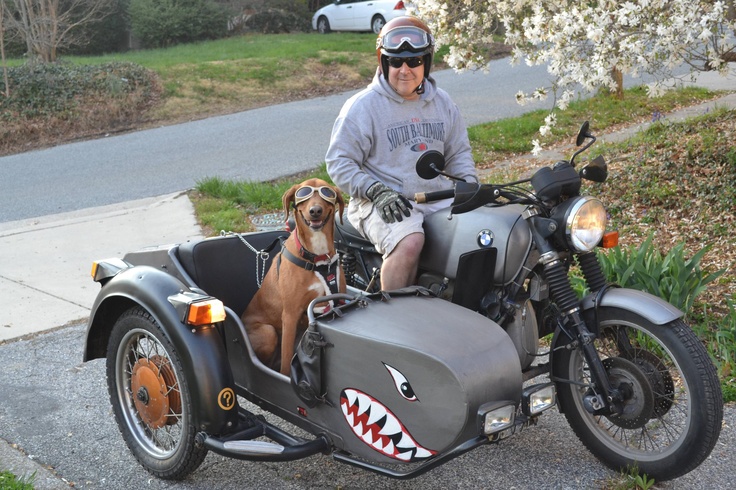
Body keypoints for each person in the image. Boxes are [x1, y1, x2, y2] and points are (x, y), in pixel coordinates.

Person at [325, 16, 477, 290]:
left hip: (438, 197)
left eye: (414, 61)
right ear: (383, 63)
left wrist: (469, 185)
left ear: (426, 62)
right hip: (382, 201)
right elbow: (339, 162)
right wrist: (376, 191)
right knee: (410, 242)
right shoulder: (362, 107)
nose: (404, 70)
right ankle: (396, 320)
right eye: (396, 62)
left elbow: (458, 154)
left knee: (483, 232)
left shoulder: (443, 103)